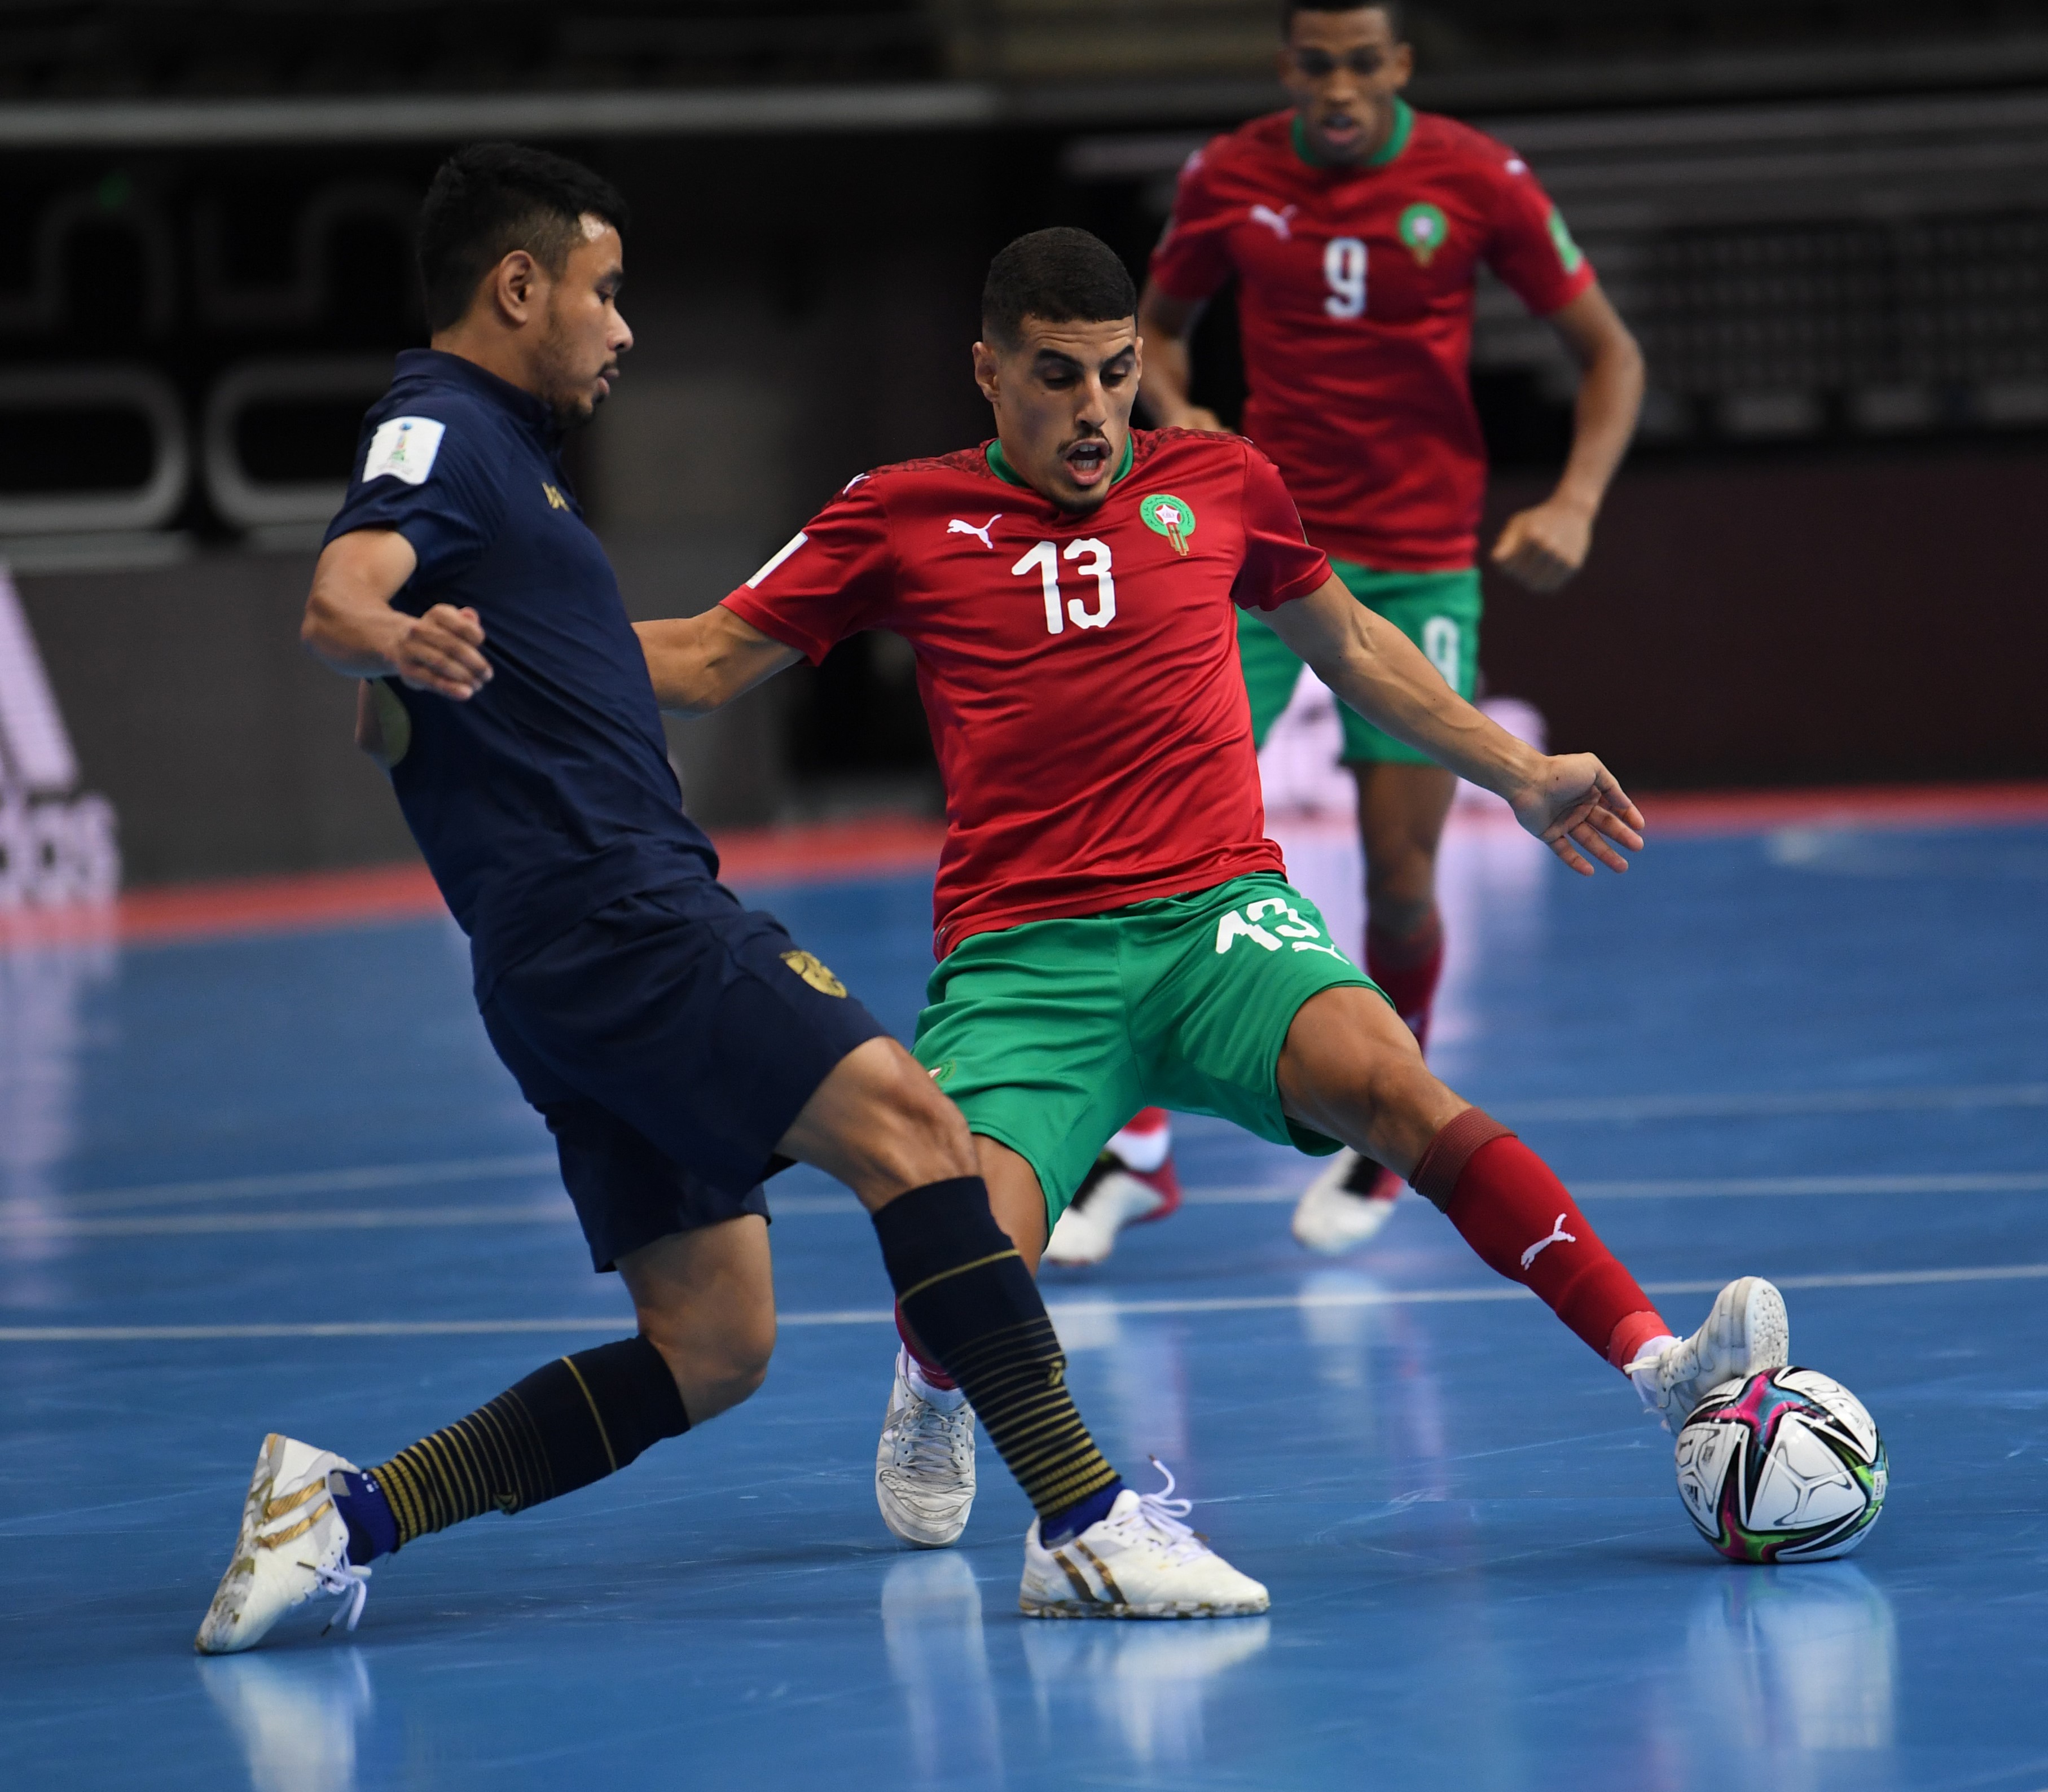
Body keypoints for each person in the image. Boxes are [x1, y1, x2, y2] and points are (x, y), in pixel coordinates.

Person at [194, 148, 1266, 1657]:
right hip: (621, 912)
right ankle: (1086, 1526)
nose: (624, 328)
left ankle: (342, 1518)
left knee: (713, 1347)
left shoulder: (506, 471)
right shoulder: (445, 433)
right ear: (518, 289)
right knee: (914, 1129)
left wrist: (421, 674)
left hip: (541, 964)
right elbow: (341, 594)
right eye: (605, 291)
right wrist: (379, 637)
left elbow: (480, 665)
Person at [633, 227, 1782, 1556]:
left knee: (1399, 1088)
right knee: (967, 1237)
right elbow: (711, 656)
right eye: (1055, 376)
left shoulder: (1223, 481)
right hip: (1025, 958)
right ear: (986, 372)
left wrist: (1518, 774)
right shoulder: (899, 511)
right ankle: (932, 1380)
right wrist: (507, 644)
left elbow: (1350, 642)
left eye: (1115, 374)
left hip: (1217, 917)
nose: (1092, 412)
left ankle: (1658, 1367)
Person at [1066, 0, 1647, 1262]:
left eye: (1360, 64)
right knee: (1163, 844)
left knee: (1397, 876)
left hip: (1425, 565)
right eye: (1313, 64)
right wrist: (1183, 414)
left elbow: (1609, 356)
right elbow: (1153, 332)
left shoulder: (1475, 178)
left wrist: (1574, 500)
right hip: (1264, 555)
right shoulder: (1228, 174)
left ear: (1399, 66)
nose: (1336, 88)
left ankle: (1387, 1148)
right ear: (1287, 66)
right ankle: (1137, 1149)